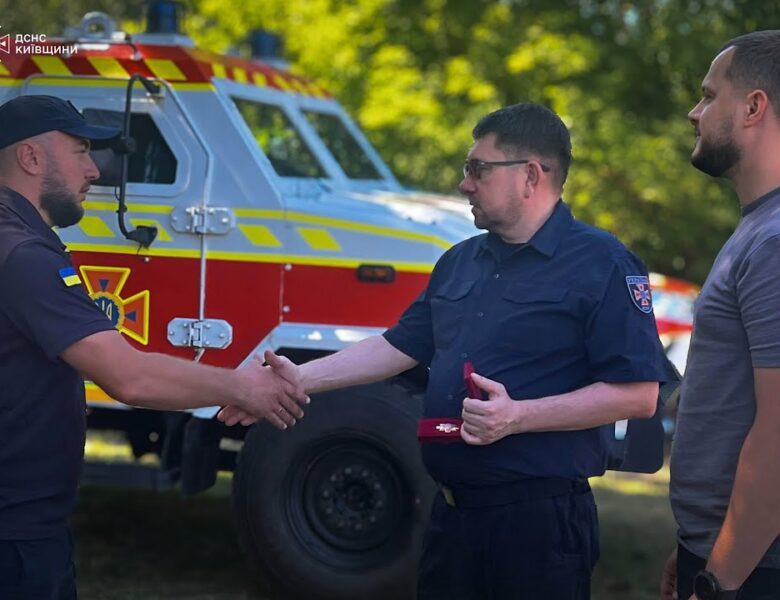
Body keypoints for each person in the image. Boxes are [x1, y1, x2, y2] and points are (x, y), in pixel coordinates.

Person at [220, 102, 669, 599]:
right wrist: (295, 381)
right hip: (450, 518)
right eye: (466, 169)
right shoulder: (460, 261)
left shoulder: (603, 263)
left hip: (538, 528)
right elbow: (399, 347)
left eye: (478, 169)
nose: (465, 184)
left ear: (530, 176)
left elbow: (638, 395)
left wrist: (517, 417)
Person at [0, 94, 309, 599]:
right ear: (31, 158)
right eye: (79, 151)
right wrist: (242, 386)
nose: (94, 170)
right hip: (14, 538)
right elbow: (128, 376)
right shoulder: (21, 254)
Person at [660, 31, 780, 600]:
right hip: (729, 554)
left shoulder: (777, 239)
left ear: (754, 107)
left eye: (709, 96)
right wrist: (698, 547)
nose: (694, 111)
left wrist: (718, 579)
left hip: (755, 570)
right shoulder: (759, 227)